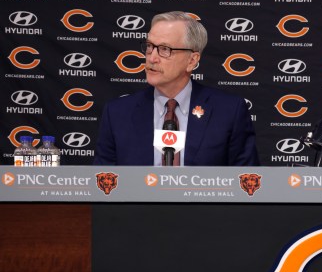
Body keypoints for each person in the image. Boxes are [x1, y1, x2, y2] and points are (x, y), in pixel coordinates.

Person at [94, 11, 259, 166]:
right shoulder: (117, 113)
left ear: (192, 61)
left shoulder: (229, 112)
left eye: (165, 49)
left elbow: (245, 182)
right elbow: (104, 185)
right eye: (149, 46)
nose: (152, 58)